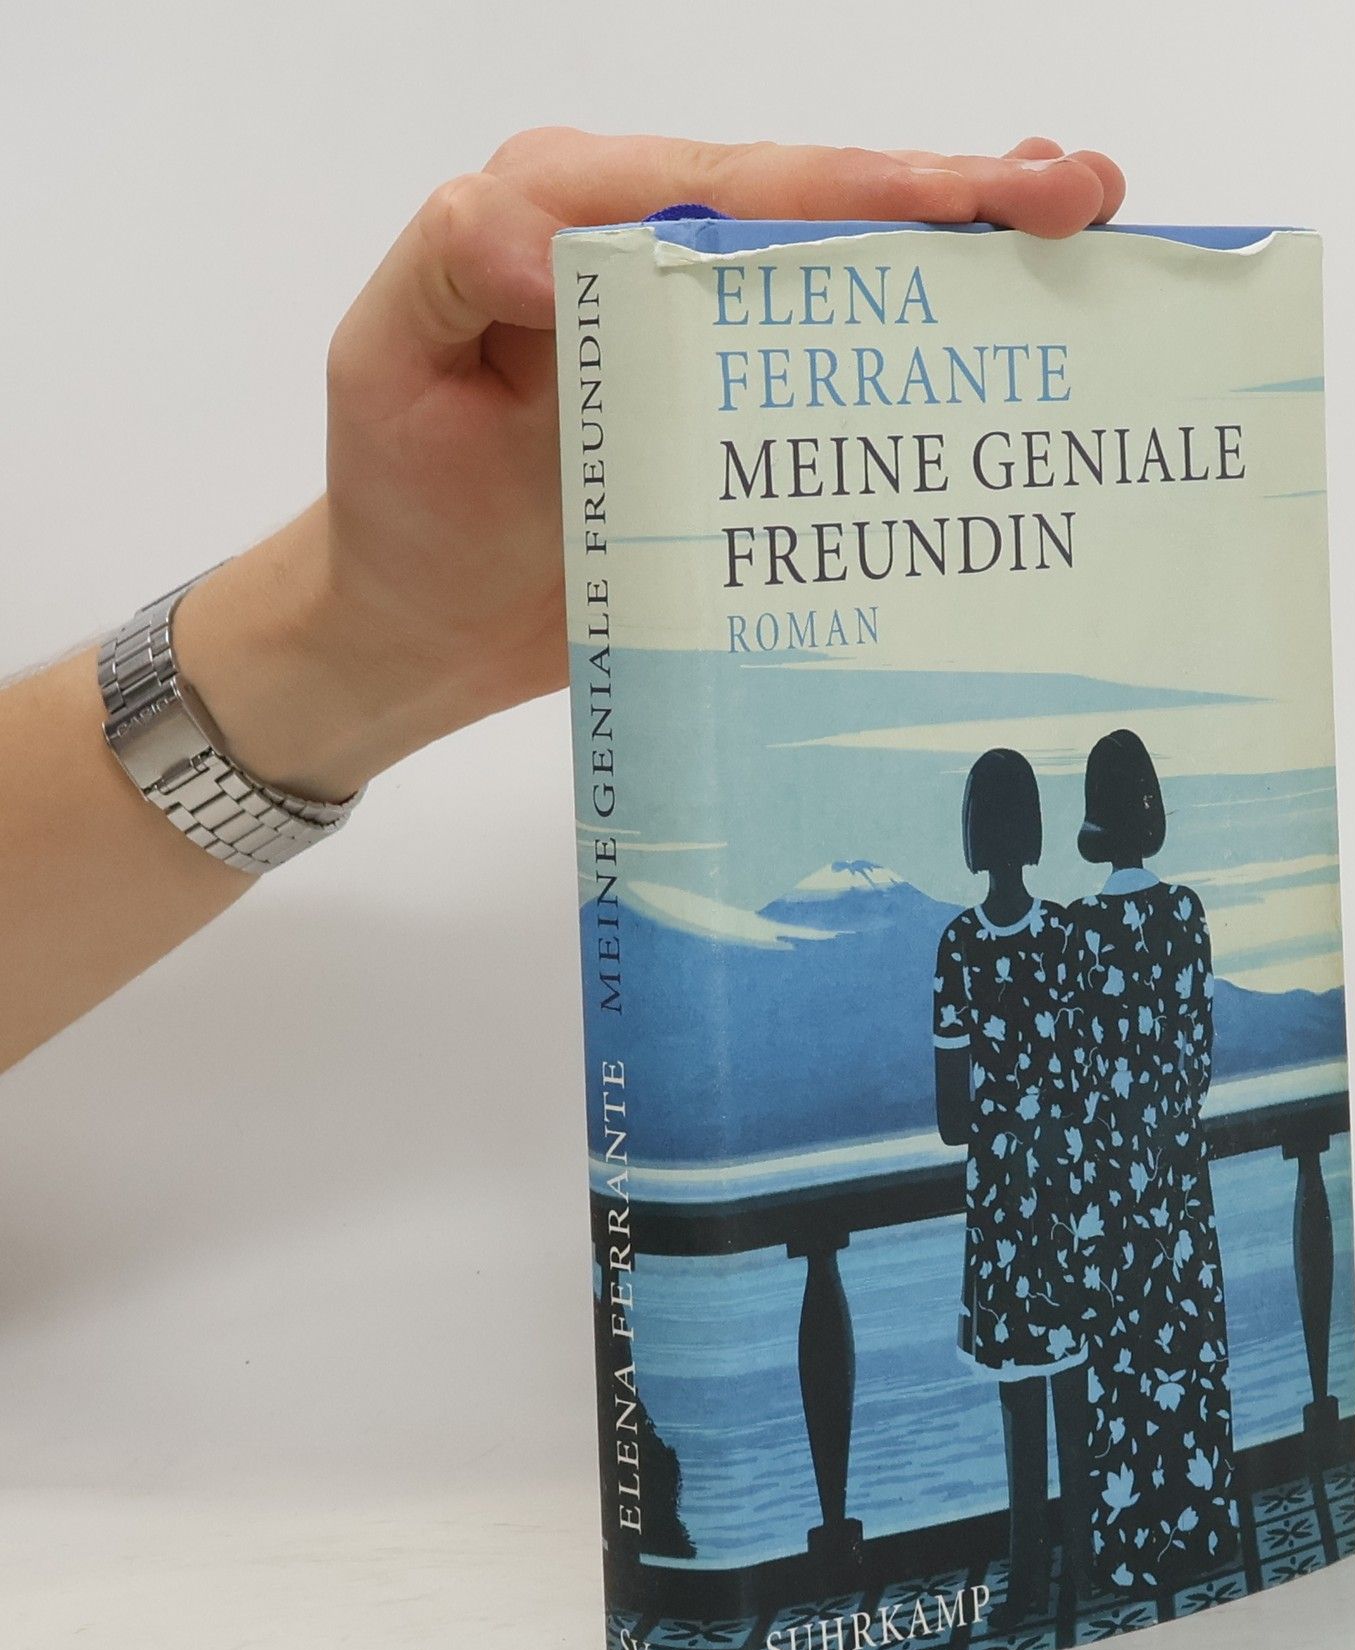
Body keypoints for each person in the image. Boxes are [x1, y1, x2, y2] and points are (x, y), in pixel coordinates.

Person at [0, 129, 1126, 1072]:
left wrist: (360, 644)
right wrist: (363, 639)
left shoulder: (971, 947)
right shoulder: (1073, 937)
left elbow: (955, 1096)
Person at [1064, 729, 1239, 1594]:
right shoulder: (1186, 915)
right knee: (1190, 1354)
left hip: (1109, 1190)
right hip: (1178, 1177)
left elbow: (1073, 1076)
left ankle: (1131, 1550)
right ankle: (1206, 1534)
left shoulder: (1076, 932)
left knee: (1124, 1365)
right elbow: (1199, 1061)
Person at [933, 748, 1097, 1625]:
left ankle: (1027, 1580)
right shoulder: (1064, 935)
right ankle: (1088, 1572)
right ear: (1033, 831)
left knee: (1018, 1394)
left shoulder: (957, 948)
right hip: (1061, 1189)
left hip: (999, 1200)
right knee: (1073, 1382)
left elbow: (950, 1119)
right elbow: (1085, 1072)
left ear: (971, 835)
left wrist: (1000, 1113)